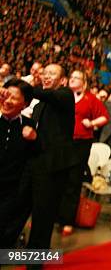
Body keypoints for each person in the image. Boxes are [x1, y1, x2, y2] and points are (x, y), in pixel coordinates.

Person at [13, 63, 77, 249]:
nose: (46, 76)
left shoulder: (65, 96)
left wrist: (22, 86)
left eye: (51, 74)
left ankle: (36, 260)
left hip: (53, 167)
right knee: (19, 207)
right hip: (33, 162)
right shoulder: (40, 106)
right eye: (45, 73)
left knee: (43, 215)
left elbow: (44, 93)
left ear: (63, 80)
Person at [58, 70, 109, 236]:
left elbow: (104, 118)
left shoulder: (90, 99)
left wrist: (92, 123)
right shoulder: (63, 95)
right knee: (59, 179)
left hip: (80, 143)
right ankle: (54, 215)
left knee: (73, 182)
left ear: (84, 82)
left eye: (77, 78)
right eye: (71, 77)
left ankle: (67, 221)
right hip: (63, 141)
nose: (73, 79)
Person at [0, 78, 37, 247]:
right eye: (6, 96)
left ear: (25, 104)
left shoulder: (30, 127)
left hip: (12, 190)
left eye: (14, 98)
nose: (7, 101)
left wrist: (35, 139)